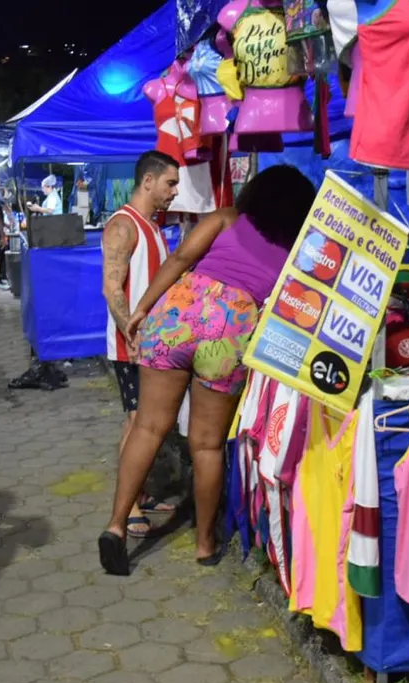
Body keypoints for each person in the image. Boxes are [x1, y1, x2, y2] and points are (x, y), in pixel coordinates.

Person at [98, 164, 317, 576]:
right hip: (231, 330)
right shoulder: (297, 251)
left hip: (179, 313)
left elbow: (182, 257)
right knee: (207, 446)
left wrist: (143, 306)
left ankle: (115, 525)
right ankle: (204, 545)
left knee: (147, 427)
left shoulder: (227, 217)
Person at [100, 151, 181, 542]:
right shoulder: (123, 225)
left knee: (148, 423)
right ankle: (127, 506)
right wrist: (129, 334)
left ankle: (141, 491)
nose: (174, 192)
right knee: (136, 425)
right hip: (131, 347)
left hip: (153, 346)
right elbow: (112, 287)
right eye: (170, 183)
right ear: (147, 181)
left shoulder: (152, 225)